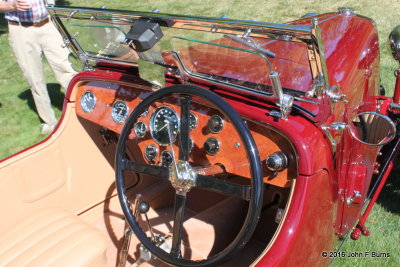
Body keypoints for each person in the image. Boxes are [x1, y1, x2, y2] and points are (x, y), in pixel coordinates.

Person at [0, 0, 76, 134]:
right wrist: (10, 6)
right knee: (34, 78)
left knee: (67, 68)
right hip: (20, 30)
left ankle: (81, 110)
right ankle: (49, 122)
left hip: (48, 25)